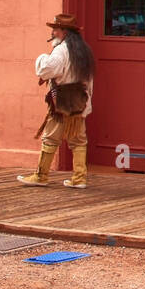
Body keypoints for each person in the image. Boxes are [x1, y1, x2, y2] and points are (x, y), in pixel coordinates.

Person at [18, 13, 95, 188]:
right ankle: (79, 178)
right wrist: (87, 101)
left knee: (50, 137)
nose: (53, 32)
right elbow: (89, 81)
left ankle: (41, 175)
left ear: (64, 32)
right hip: (79, 101)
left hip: (62, 102)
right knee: (79, 139)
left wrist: (42, 58)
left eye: (56, 29)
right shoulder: (84, 51)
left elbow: (46, 70)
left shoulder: (62, 50)